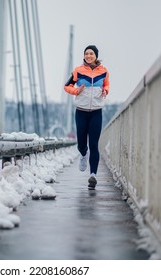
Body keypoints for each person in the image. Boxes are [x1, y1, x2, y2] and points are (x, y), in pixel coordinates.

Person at [63, 45, 110, 190]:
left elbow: (106, 85)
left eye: (91, 53)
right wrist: (76, 90)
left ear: (96, 55)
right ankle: (83, 154)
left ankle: (93, 176)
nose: (89, 56)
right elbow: (66, 86)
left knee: (94, 144)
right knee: (82, 142)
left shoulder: (104, 71)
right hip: (81, 111)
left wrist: (105, 90)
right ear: (84, 56)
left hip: (96, 111)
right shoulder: (78, 71)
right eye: (86, 53)